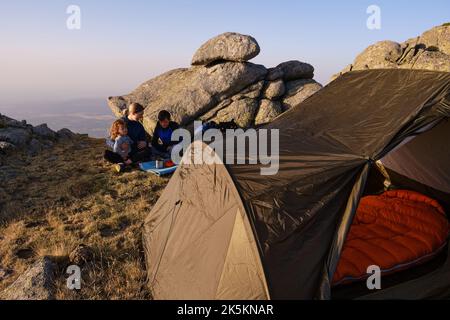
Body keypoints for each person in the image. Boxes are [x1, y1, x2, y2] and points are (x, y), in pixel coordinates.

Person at [104, 103, 151, 170]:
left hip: (133, 150)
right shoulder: (121, 123)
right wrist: (119, 146)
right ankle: (128, 162)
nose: (141, 117)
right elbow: (108, 140)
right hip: (121, 152)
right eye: (140, 115)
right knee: (106, 154)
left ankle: (125, 162)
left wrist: (144, 142)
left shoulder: (139, 126)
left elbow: (143, 139)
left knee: (148, 150)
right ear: (133, 113)